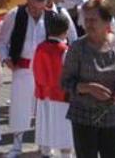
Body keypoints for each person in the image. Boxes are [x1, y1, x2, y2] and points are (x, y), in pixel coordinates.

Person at [61, 0, 115, 158]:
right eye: (86, 20)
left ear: (107, 21)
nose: (88, 24)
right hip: (83, 116)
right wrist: (88, 88)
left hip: (112, 116)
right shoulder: (77, 48)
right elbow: (65, 82)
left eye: (93, 20)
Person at [0, 0, 54, 156]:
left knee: (44, 106)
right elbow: (1, 41)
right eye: (32, 7)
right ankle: (16, 145)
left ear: (45, 4)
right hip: (22, 68)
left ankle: (45, 144)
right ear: (27, 2)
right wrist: (6, 59)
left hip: (44, 70)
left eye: (39, 8)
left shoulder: (52, 16)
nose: (35, 11)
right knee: (20, 107)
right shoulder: (15, 14)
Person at [33, 12, 74, 158]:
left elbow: (36, 69)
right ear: (66, 30)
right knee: (64, 132)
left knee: (45, 129)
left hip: (43, 95)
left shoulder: (39, 48)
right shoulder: (65, 51)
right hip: (61, 97)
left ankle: (46, 153)